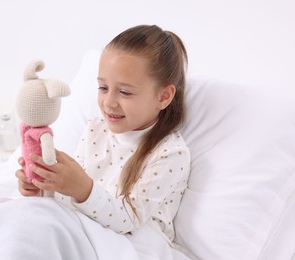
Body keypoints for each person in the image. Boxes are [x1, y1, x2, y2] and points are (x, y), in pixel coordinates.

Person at [16, 24, 191, 248]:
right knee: (18, 227)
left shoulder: (170, 153)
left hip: (134, 247)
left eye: (125, 92)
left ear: (164, 96)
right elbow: (72, 202)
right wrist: (44, 188)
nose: (109, 102)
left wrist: (83, 188)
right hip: (84, 229)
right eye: (103, 88)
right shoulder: (96, 129)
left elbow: (129, 220)